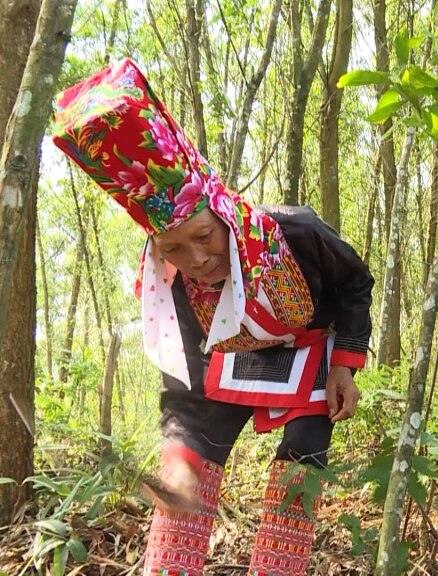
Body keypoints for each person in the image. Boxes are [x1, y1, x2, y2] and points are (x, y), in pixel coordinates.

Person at [52, 59, 374, 576]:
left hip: (309, 346)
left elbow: (355, 283)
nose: (198, 259)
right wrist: (180, 460)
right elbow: (185, 389)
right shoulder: (174, 286)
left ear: (224, 214)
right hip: (227, 361)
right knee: (188, 475)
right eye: (176, 248)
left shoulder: (296, 233)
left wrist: (345, 366)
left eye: (204, 236)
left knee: (301, 463)